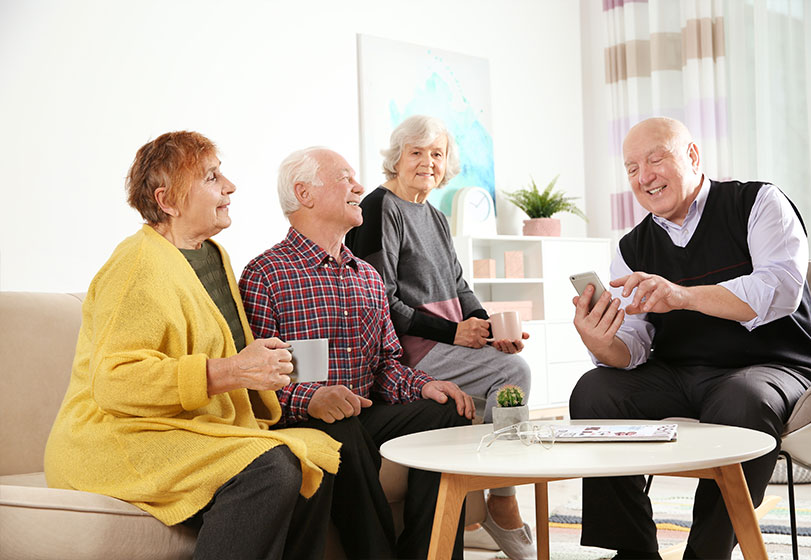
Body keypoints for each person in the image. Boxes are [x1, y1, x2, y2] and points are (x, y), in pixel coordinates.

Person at [44, 131, 339, 560]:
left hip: (186, 428)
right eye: (211, 177)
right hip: (115, 438)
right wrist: (233, 372)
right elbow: (114, 382)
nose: (230, 186)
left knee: (316, 457)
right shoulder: (137, 264)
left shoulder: (212, 254)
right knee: (271, 468)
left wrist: (269, 368)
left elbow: (226, 351)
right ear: (167, 201)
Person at [569, 117, 811, 560]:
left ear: (692, 156)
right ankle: (633, 552)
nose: (644, 176)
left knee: (743, 399)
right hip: (679, 374)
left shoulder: (757, 203)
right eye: (631, 168)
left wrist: (682, 296)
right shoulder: (630, 247)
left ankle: (707, 554)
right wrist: (599, 340)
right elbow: (631, 345)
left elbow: (780, 288)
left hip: (772, 365)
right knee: (594, 391)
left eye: (655, 159)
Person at [238, 146, 476, 560]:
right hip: (306, 422)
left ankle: (429, 554)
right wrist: (312, 398)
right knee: (342, 430)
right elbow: (258, 385)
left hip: (364, 411)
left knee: (447, 411)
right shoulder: (265, 274)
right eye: (345, 178)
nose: (360, 187)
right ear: (305, 193)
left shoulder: (366, 275)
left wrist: (427, 385)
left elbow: (386, 365)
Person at [345, 114, 535, 559]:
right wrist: (455, 331)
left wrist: (488, 329)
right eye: (416, 152)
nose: (428, 162)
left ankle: (479, 499)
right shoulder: (378, 208)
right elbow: (384, 301)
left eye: (437, 153)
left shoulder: (434, 214)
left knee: (508, 367)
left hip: (449, 341)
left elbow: (459, 284)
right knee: (514, 373)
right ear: (397, 158)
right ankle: (500, 501)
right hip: (410, 350)